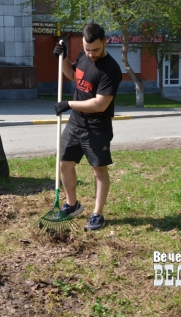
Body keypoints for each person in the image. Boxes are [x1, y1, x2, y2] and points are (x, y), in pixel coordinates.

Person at [52, 22, 122, 231]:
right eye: (87, 49)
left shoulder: (111, 70)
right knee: (64, 164)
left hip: (96, 128)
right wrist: (63, 58)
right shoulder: (84, 56)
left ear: (105, 43)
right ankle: (72, 205)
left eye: (96, 50)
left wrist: (69, 104)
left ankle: (97, 214)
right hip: (76, 124)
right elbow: (73, 75)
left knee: (98, 171)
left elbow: (100, 104)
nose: (91, 54)